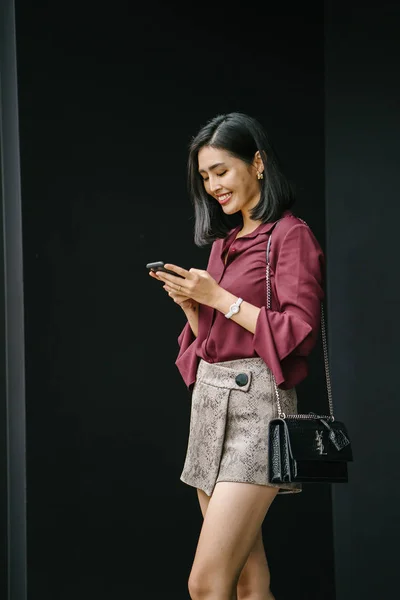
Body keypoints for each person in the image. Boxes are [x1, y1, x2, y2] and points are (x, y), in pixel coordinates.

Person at [148, 112, 325, 600]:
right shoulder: (224, 245)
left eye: (221, 171)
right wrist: (193, 308)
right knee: (248, 581)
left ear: (259, 163)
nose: (213, 186)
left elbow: (299, 332)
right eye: (204, 177)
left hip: (256, 411)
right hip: (210, 405)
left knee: (205, 585)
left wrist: (220, 299)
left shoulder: (290, 237)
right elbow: (214, 344)